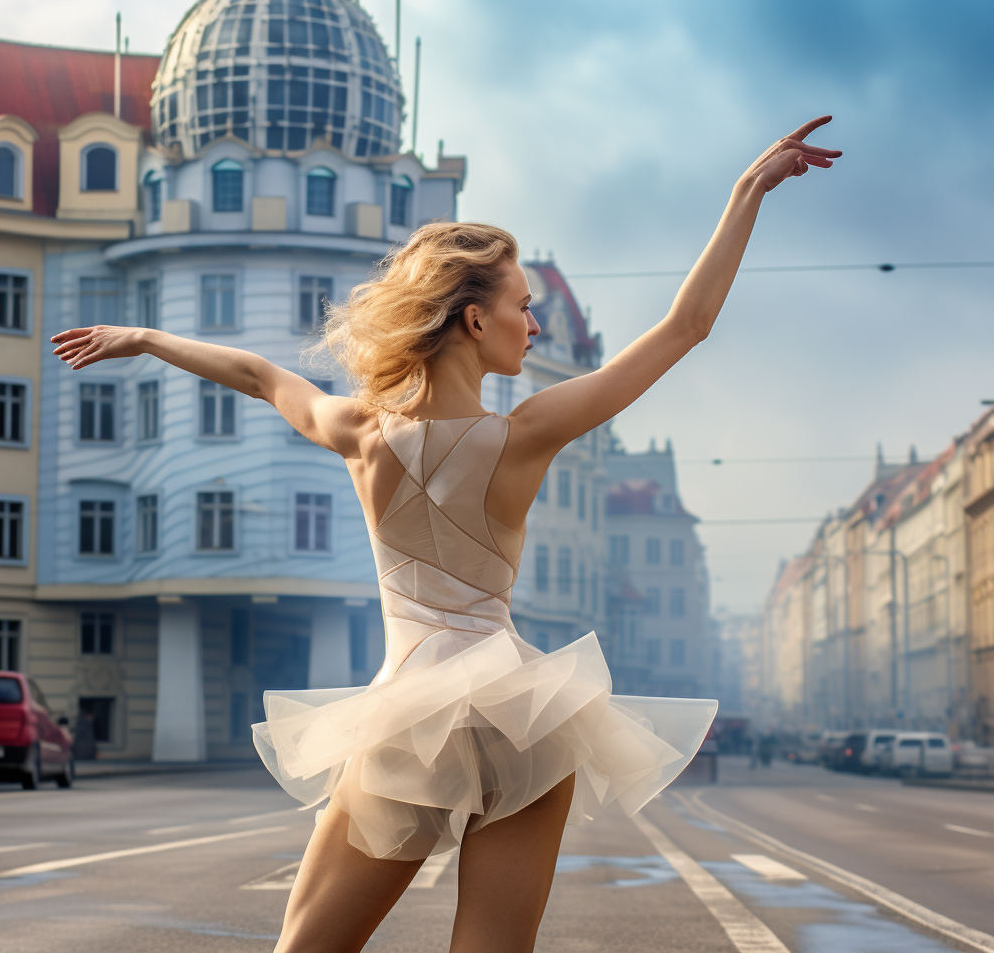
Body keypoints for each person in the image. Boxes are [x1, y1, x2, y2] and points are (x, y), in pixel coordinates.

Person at [52, 117, 840, 953]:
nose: (532, 328)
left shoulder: (358, 433)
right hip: (521, 717)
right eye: (523, 308)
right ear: (472, 320)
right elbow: (685, 327)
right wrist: (745, 194)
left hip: (404, 718)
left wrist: (140, 337)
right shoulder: (527, 434)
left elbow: (256, 373)